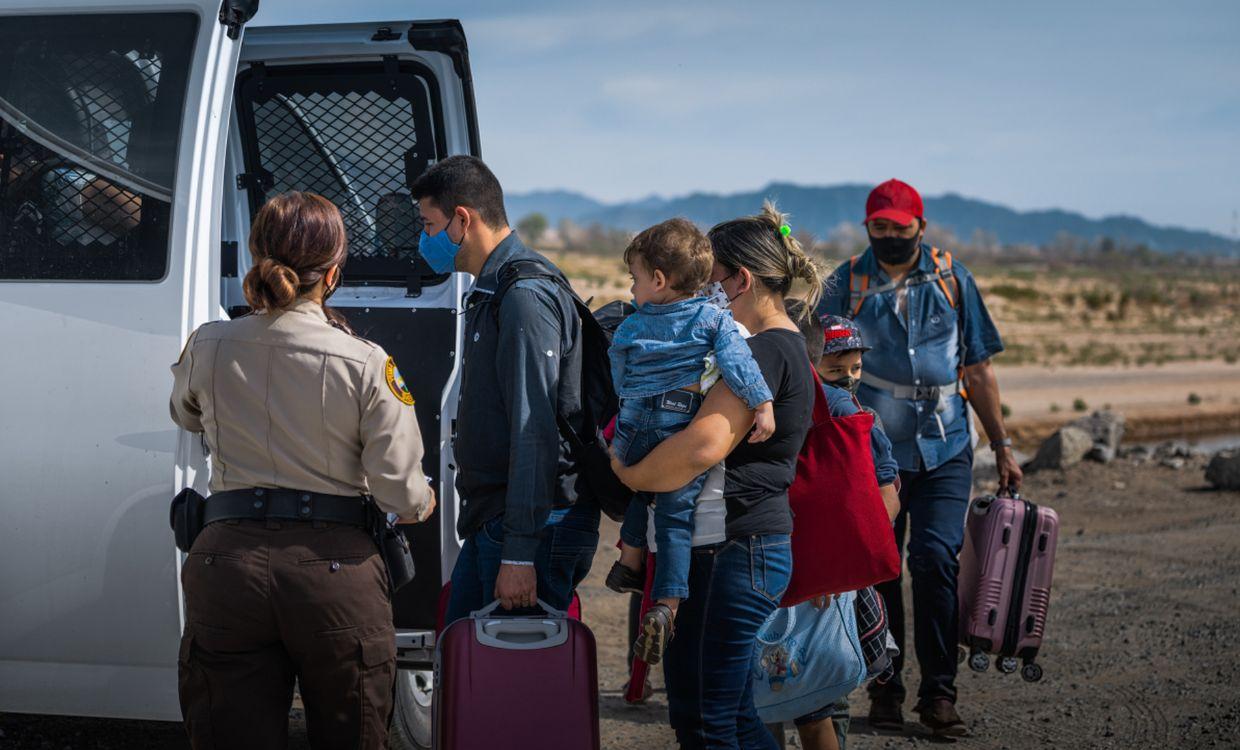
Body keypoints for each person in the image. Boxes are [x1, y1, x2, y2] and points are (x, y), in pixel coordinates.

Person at [170, 191, 437, 749]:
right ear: (333, 273)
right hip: (335, 572)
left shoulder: (208, 344)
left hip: (226, 565)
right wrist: (423, 502)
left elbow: (184, 413)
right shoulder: (366, 362)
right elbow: (401, 493)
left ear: (256, 258)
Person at [611, 202, 822, 748]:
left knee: (709, 720)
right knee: (718, 715)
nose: (700, 295)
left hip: (737, 550)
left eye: (709, 283)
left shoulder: (763, 350)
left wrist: (628, 471)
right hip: (739, 549)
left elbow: (702, 445)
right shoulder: (778, 345)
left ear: (740, 281)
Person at [817, 178, 1022, 737]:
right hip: (873, 454)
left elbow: (977, 369)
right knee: (879, 568)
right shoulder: (844, 282)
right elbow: (819, 363)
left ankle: (938, 696)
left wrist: (1001, 444)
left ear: (920, 227)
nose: (887, 236)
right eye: (877, 227)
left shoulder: (954, 279)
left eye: (898, 228)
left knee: (934, 561)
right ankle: (885, 687)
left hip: (946, 448)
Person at [410, 155, 600, 620]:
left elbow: (533, 428)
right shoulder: (495, 289)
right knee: (467, 659)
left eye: (430, 225)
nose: (425, 240)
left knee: (514, 682)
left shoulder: (523, 298)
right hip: (500, 520)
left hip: (531, 527)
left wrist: (519, 553)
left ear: (462, 219)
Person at [604, 218, 776, 665]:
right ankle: (668, 604)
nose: (632, 289)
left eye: (634, 279)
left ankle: (630, 560)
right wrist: (762, 403)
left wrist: (625, 412)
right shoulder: (713, 318)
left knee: (643, 487)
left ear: (658, 280)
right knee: (675, 516)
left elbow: (616, 372)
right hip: (676, 420)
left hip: (633, 423)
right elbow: (738, 364)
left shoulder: (630, 325)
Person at [785, 305, 901, 750]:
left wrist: (839, 560)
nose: (849, 378)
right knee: (821, 686)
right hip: (810, 569)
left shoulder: (853, 416)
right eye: (836, 368)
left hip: (822, 575)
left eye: (855, 368)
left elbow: (885, 490)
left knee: (815, 689)